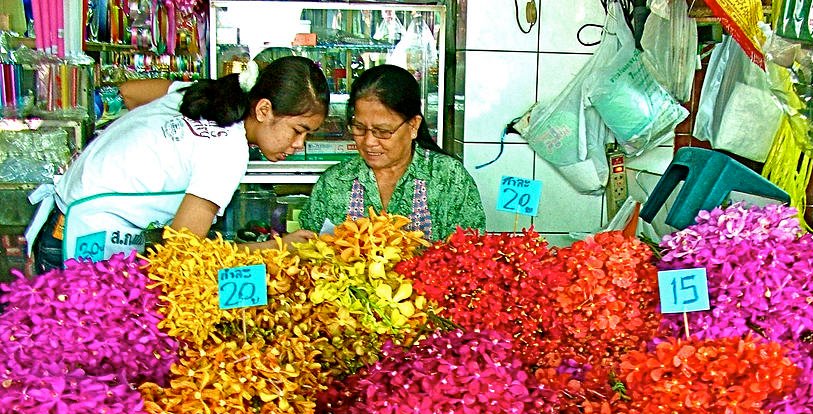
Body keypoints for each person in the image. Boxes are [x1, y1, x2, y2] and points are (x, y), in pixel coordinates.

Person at [28, 55, 329, 272]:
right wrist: (276, 249)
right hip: (83, 240)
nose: (299, 144)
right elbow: (181, 251)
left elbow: (130, 93)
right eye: (298, 130)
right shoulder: (227, 150)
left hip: (63, 217)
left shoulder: (206, 95)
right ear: (264, 109)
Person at [302, 64, 485, 241]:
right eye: (359, 128)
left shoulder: (449, 178)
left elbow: (469, 255)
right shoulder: (333, 183)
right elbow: (309, 253)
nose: (369, 142)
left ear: (413, 126)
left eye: (383, 131)